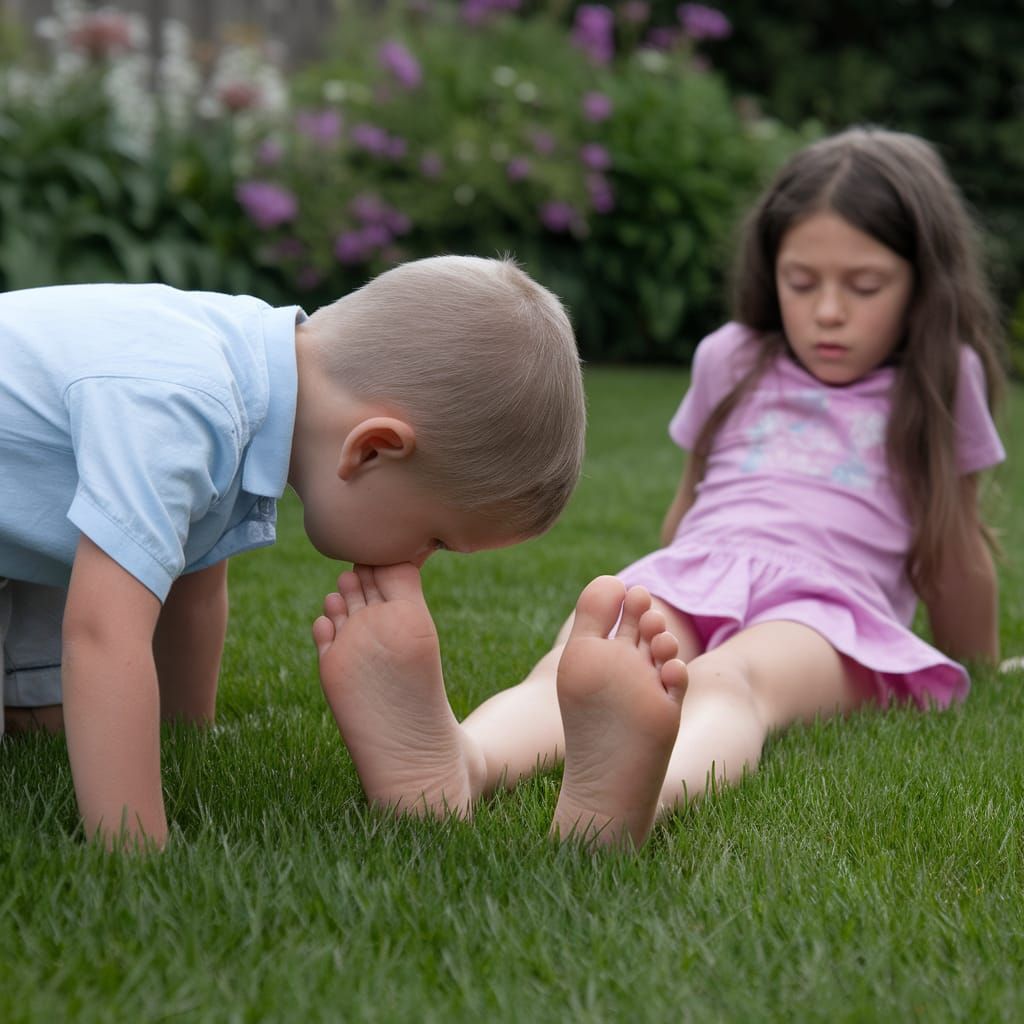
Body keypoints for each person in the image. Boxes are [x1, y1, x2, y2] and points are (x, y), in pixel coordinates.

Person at [314, 127, 1007, 849]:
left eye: (864, 286)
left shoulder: (941, 379)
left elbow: (955, 551)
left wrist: (978, 663)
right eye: (801, 282)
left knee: (729, 681)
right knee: (572, 667)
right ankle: (460, 762)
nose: (828, 311)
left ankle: (640, 794)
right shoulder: (730, 356)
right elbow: (690, 500)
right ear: (770, 270)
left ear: (924, 284)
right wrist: (668, 594)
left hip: (826, 611)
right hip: (703, 566)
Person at [0, 255, 586, 847]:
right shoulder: (186, 409)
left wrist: (181, 745)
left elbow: (193, 584)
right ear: (373, 449)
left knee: (45, 733)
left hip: (23, 517)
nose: (419, 562)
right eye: (434, 539)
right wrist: (135, 851)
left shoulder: (248, 370)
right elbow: (104, 632)